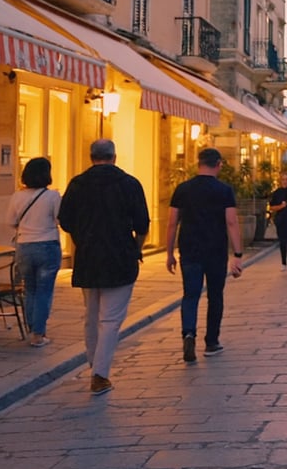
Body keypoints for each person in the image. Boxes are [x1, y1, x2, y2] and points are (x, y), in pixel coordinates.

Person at [58, 139, 150, 395]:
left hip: (88, 256)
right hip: (120, 256)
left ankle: (94, 363)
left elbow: (65, 220)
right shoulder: (129, 184)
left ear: (91, 157)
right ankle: (99, 374)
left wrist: (81, 234)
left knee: (91, 316)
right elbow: (142, 224)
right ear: (114, 157)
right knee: (110, 319)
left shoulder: (77, 184)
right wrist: (137, 247)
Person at [166, 148, 245, 364]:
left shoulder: (182, 189)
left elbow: (173, 222)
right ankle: (211, 342)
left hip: (189, 249)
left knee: (190, 295)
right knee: (215, 296)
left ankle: (189, 333)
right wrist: (237, 254)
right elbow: (231, 221)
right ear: (218, 164)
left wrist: (169, 252)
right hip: (216, 250)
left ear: (198, 163)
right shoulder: (224, 190)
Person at [7, 157, 62, 349]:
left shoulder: (17, 196)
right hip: (47, 245)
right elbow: (59, 219)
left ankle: (32, 328)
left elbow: (11, 221)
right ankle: (38, 334)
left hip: (24, 246)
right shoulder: (52, 197)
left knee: (30, 289)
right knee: (44, 290)